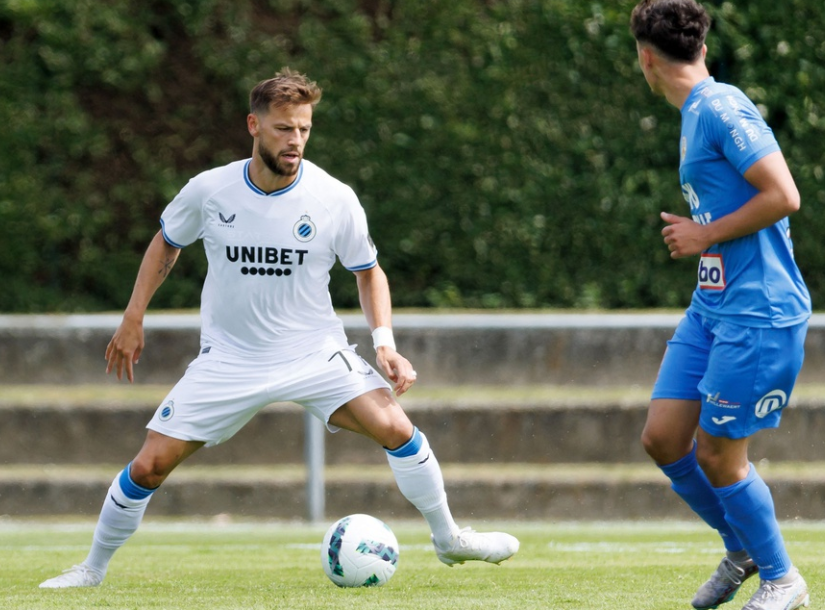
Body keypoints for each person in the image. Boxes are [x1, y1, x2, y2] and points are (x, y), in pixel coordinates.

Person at [39, 68, 518, 589]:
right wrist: (133, 317)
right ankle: (91, 569)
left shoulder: (334, 198)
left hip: (314, 352)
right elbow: (167, 242)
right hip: (230, 358)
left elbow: (368, 272)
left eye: (304, 130)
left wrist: (386, 345)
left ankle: (448, 539)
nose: (296, 141)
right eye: (284, 129)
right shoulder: (211, 189)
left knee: (397, 429)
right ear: (254, 125)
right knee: (150, 465)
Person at [630, 2, 812, 610]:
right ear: (701, 49)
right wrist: (706, 235)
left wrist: (705, 234)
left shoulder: (720, 107)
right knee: (663, 438)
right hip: (712, 305)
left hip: (758, 312)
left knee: (716, 454)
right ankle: (743, 550)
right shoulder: (694, 112)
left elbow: (784, 195)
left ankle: (783, 578)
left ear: (645, 58)